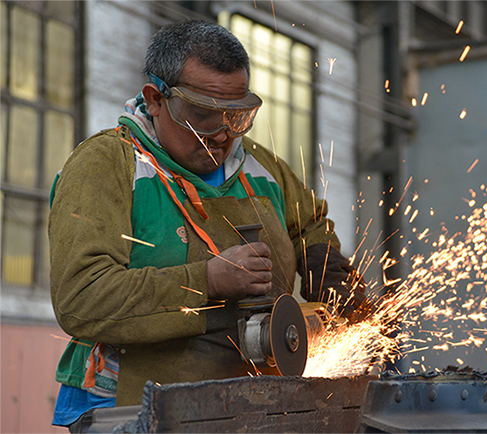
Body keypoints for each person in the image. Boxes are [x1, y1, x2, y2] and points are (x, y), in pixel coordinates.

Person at [49, 19, 368, 431]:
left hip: (246, 404)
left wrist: (321, 258)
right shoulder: (107, 165)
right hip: (128, 409)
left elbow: (311, 223)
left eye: (236, 118)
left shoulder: (259, 167)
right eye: (202, 115)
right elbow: (82, 298)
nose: (220, 136)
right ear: (156, 99)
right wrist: (208, 282)